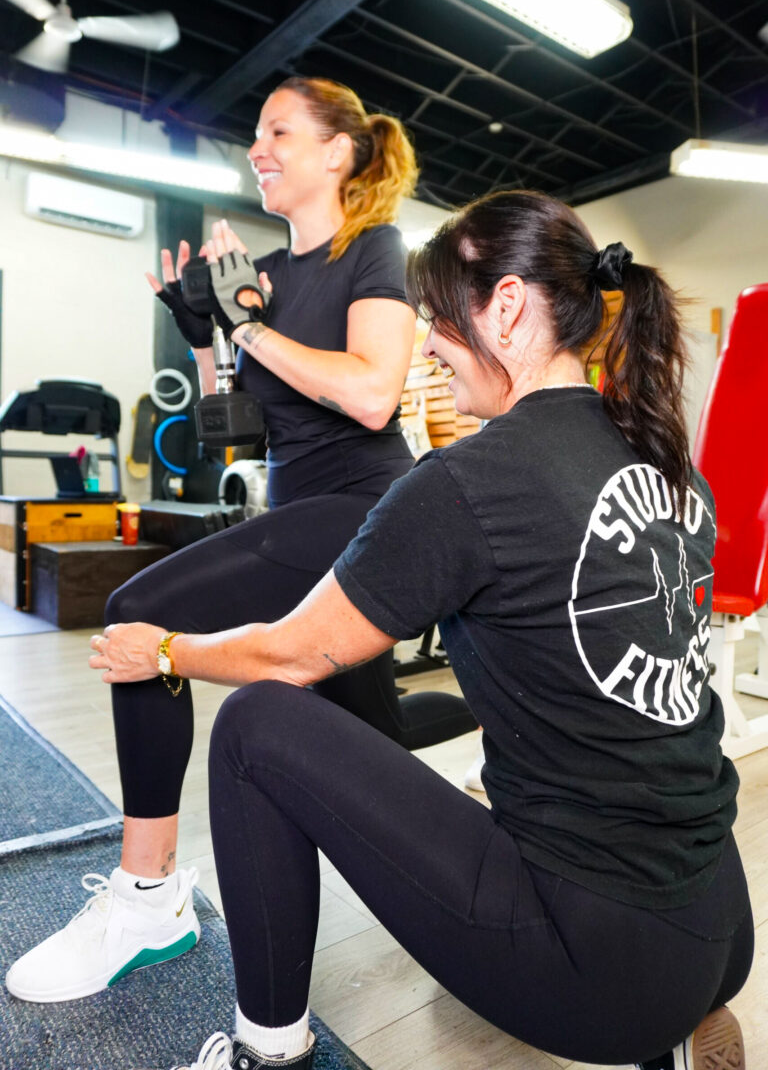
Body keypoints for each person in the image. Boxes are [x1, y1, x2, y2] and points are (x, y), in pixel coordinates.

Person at [80, 188, 753, 1070]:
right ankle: (671, 1020)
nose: (428, 346)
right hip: (718, 919)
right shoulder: (668, 463)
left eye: (437, 319)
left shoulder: (473, 479)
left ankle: (265, 1052)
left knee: (255, 727)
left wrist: (164, 648)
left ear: (505, 309)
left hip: (599, 963)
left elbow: (289, 653)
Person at [4, 76, 476, 1006]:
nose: (257, 150)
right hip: (295, 510)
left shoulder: (371, 249)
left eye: (279, 132)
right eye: (254, 137)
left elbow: (373, 393)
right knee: (371, 732)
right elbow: (237, 429)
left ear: (339, 152)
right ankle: (491, 759)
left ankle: (150, 899)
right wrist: (204, 337)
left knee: (143, 613)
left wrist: (248, 322)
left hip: (362, 512)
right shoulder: (266, 269)